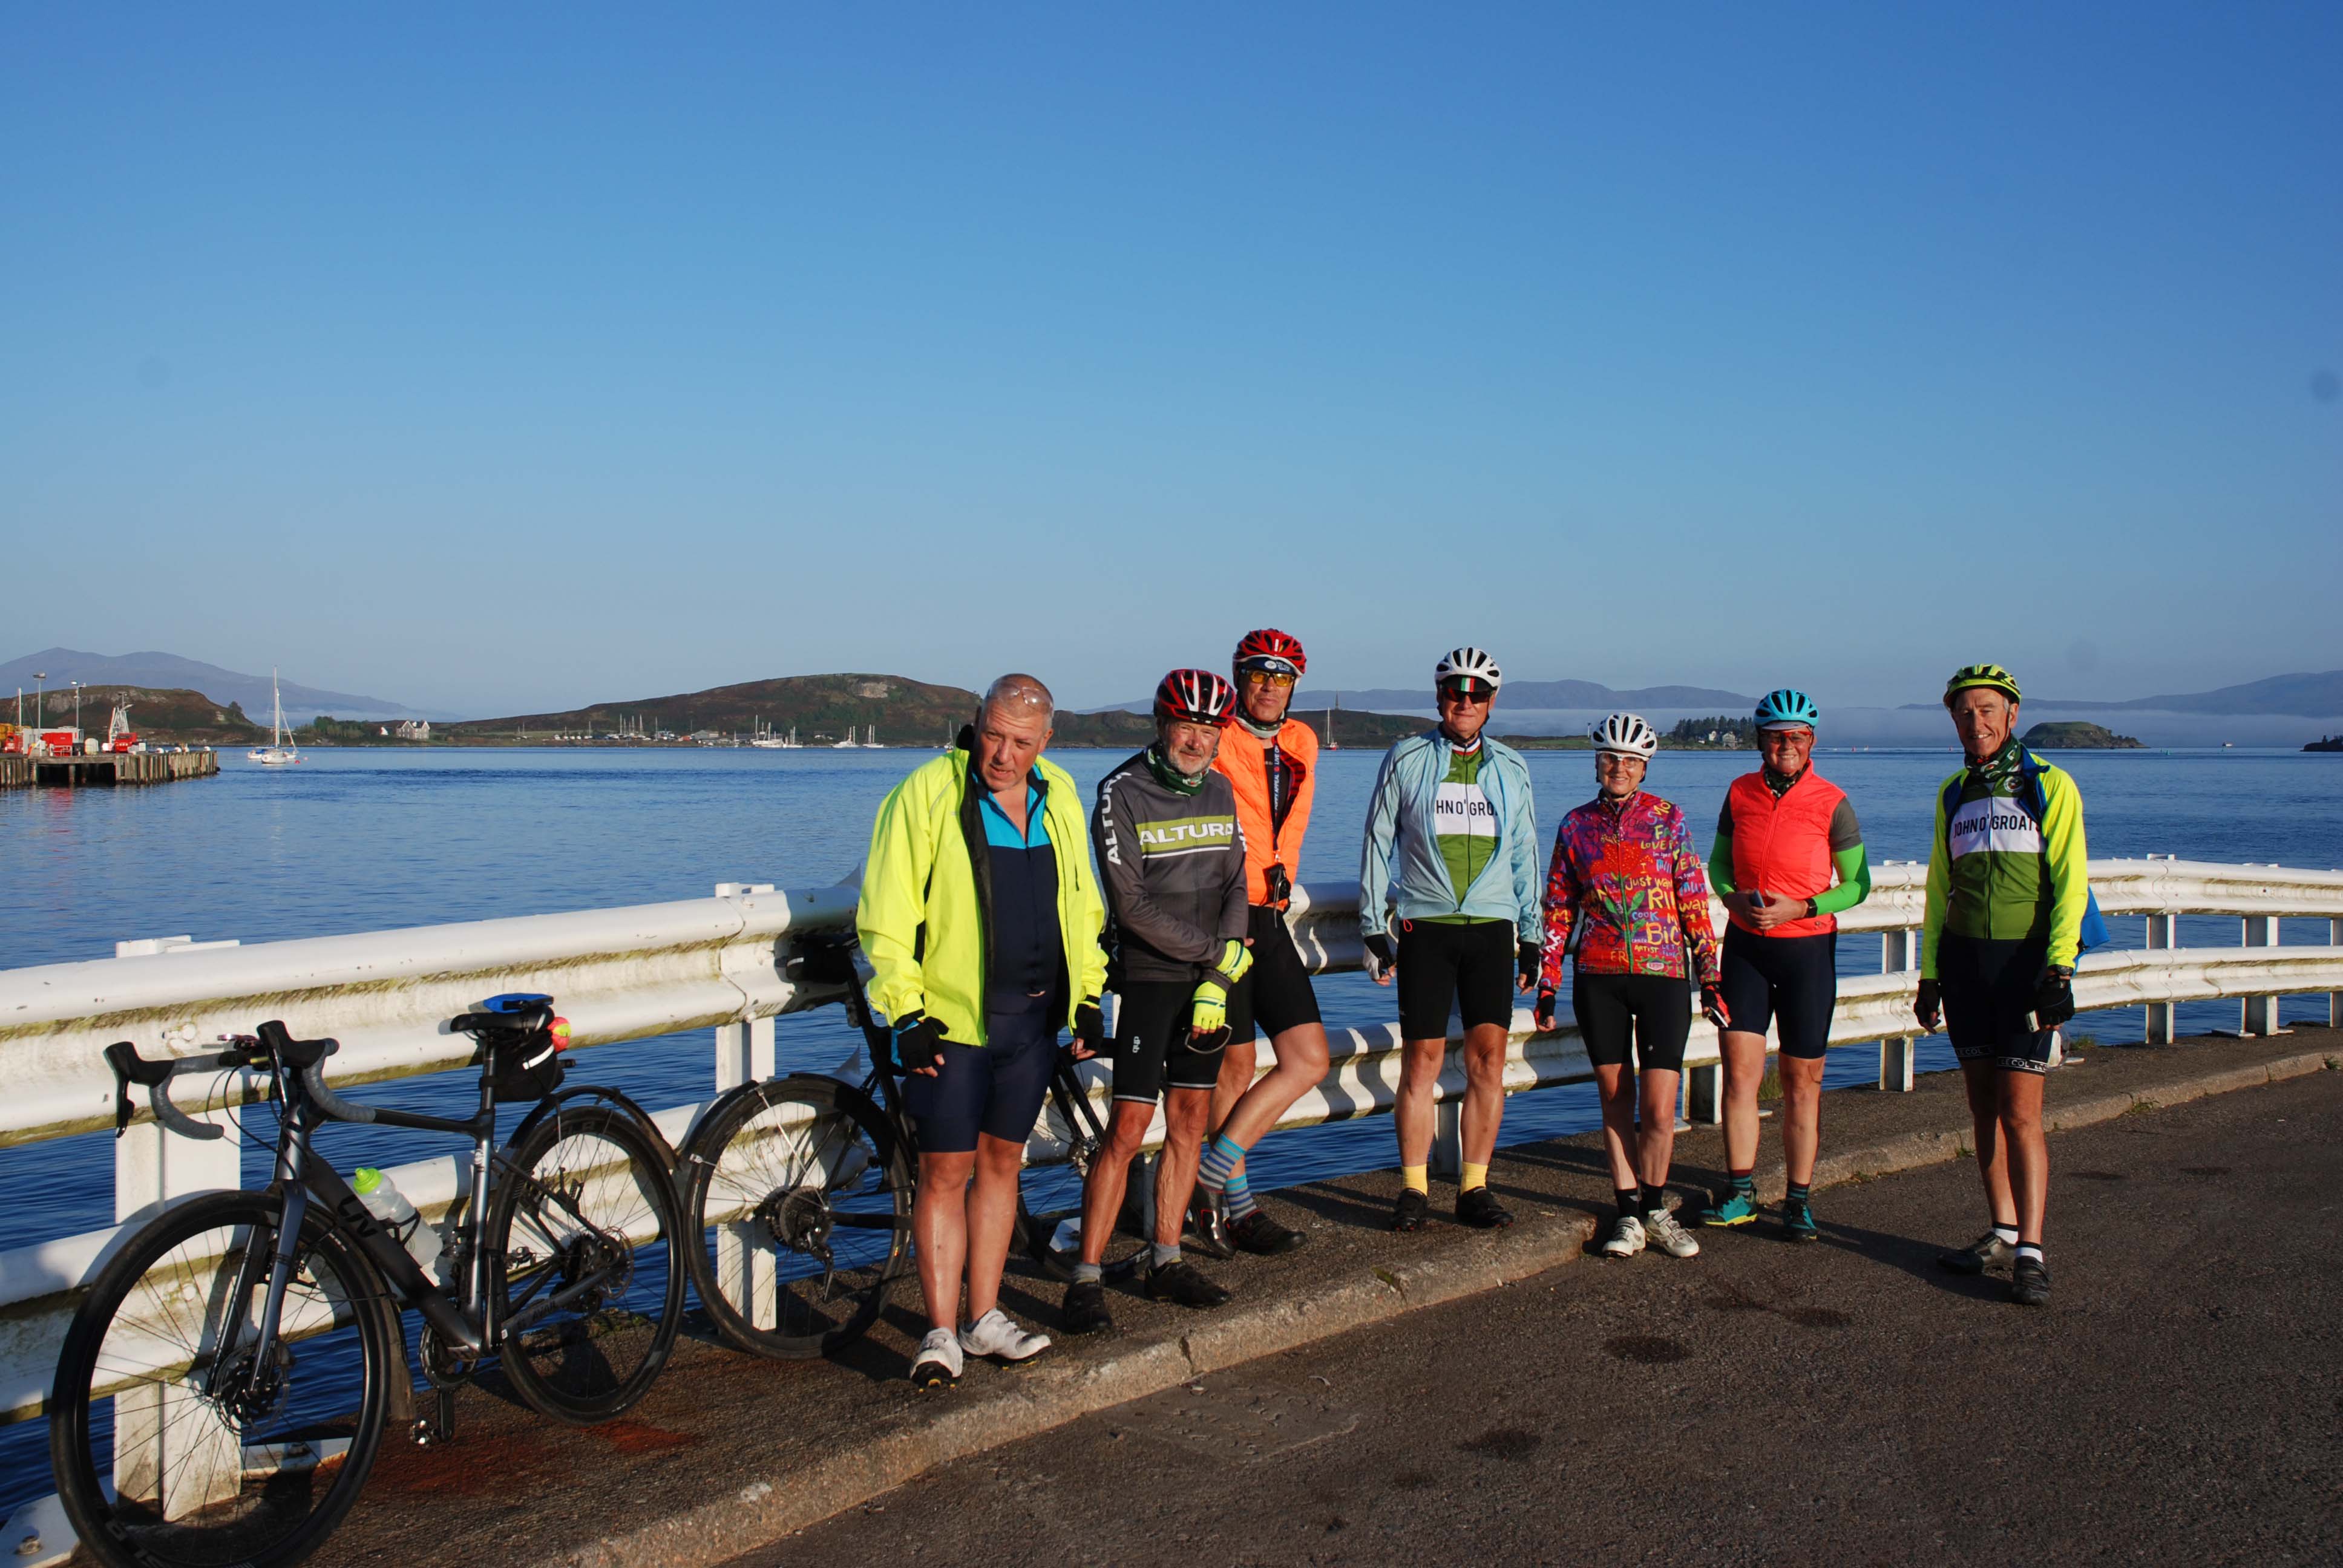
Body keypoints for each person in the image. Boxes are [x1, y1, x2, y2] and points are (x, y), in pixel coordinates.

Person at [857, 674, 1108, 1388]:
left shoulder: (1056, 791)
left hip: (1029, 1022)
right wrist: (904, 1011)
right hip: (951, 1022)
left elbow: (1082, 903)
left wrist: (1087, 997)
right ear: (976, 722)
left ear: (1045, 742)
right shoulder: (929, 792)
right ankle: (939, 1333)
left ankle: (985, 1317)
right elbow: (885, 911)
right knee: (945, 1172)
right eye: (993, 735)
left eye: (1020, 742)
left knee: (1003, 1165)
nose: (1002, 754)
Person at [1061, 670, 1252, 1336]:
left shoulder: (1222, 789)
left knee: (1190, 1120)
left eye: (1210, 729)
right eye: (1187, 726)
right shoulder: (1120, 791)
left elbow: (1234, 884)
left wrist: (1220, 975)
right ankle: (1085, 1278)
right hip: (1150, 979)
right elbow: (1130, 906)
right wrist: (1213, 958)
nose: (1198, 740)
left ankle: (1165, 1259)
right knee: (1125, 1129)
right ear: (1160, 723)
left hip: (1206, 985)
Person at [1918, 664, 2088, 1308]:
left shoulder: (2050, 785)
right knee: (1981, 1109)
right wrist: (1929, 974)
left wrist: (2059, 969)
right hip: (1964, 968)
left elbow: (2070, 884)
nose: (1975, 722)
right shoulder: (1952, 793)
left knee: (2021, 1114)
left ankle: (2031, 1250)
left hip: (2023, 969)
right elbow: (1940, 890)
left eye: (1987, 710)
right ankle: (1999, 1229)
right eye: (1963, 713)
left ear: (2011, 715)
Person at [1360, 647, 1541, 1233]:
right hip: (1426, 926)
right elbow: (1376, 839)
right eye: (1454, 692)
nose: (1465, 702)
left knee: (1488, 1063)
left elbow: (1525, 854)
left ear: (1491, 702)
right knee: (1422, 1062)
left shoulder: (1511, 767)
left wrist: (1532, 934)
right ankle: (1413, 1188)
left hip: (1491, 928)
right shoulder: (1407, 757)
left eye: (1477, 694)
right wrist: (1370, 922)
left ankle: (1473, 1187)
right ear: (1438, 697)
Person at [1535, 713, 1725, 1262]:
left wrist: (1710, 977)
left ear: (1645, 767)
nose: (1619, 769)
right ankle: (1626, 1212)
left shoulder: (1668, 819)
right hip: (1598, 976)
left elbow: (1692, 898)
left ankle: (1656, 1209)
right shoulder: (1575, 826)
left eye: (1630, 761)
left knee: (1662, 1108)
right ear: (1597, 762)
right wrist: (1548, 983)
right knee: (1616, 1100)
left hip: (1664, 974)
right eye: (1610, 759)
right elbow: (1557, 909)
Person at [1703, 688, 1872, 1241]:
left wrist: (1804, 906)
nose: (1786, 746)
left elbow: (1859, 885)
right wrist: (1729, 899)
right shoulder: (1740, 792)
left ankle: (1798, 1202)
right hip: (1747, 949)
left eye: (1796, 737)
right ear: (1760, 741)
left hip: (1807, 952)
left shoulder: (1831, 801)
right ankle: (1740, 1194)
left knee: (1803, 1082)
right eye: (1776, 737)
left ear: (1812, 742)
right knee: (1741, 1076)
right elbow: (1719, 865)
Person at [1190, 629, 1330, 1258]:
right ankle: (1237, 1209)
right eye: (1257, 674)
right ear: (1237, 678)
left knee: (1308, 1059)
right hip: (1221, 916)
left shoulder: (1302, 742)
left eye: (1281, 677)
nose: (1269, 686)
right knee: (1236, 1066)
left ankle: (1210, 1172)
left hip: (1269, 918)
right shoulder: (1214, 735)